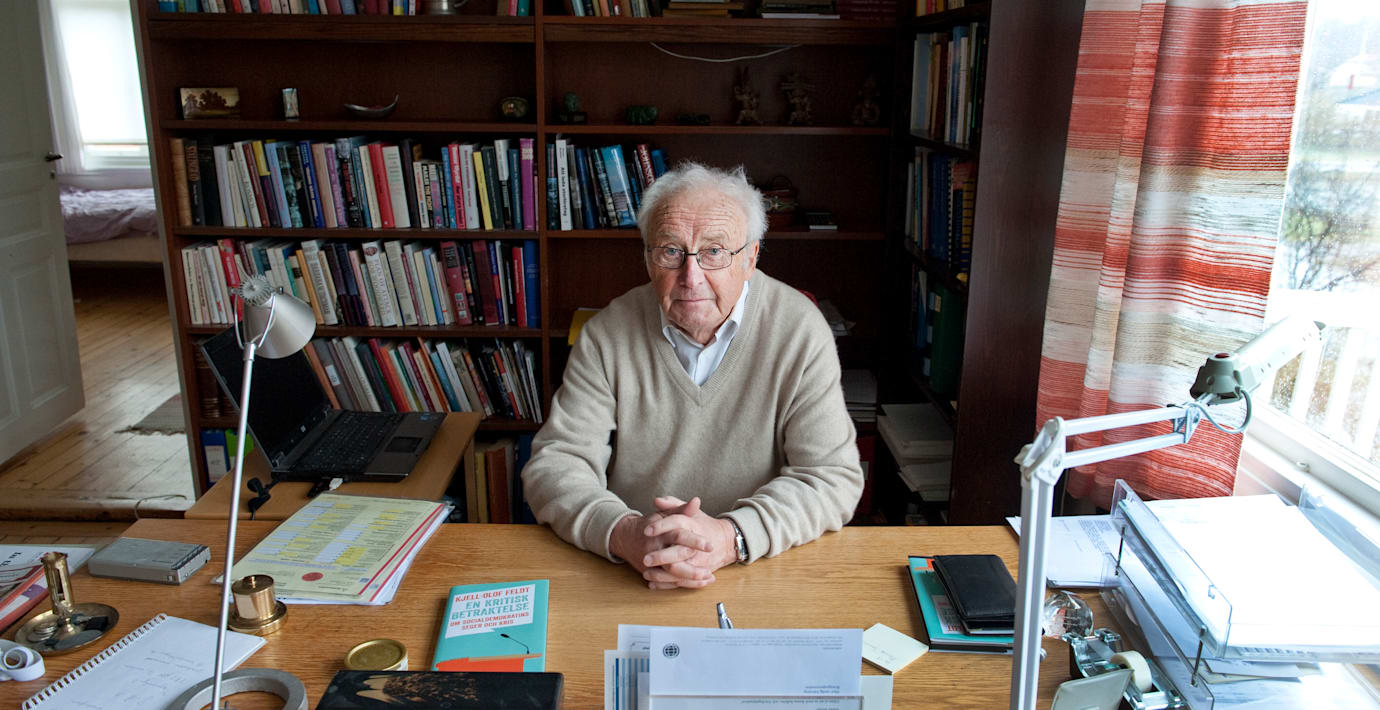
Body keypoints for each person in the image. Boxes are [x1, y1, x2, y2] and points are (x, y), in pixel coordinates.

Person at [520, 162, 863, 590]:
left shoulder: (799, 330)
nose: (691, 277)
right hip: (632, 569)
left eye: (714, 251)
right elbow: (556, 464)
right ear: (648, 258)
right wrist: (624, 533)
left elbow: (831, 478)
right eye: (671, 251)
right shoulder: (607, 333)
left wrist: (731, 537)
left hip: (757, 566)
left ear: (751, 257)